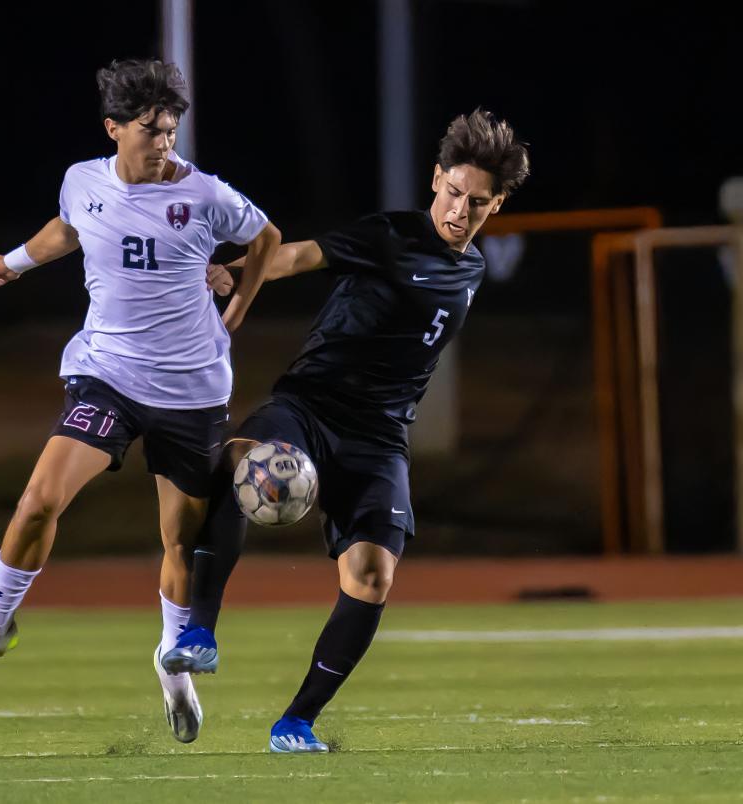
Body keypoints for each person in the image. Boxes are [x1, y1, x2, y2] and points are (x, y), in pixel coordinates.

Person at [0, 59, 281, 747]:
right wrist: (13, 261)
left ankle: (172, 662)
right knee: (39, 500)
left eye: (172, 130)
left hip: (192, 394)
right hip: (107, 377)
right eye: (150, 130)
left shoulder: (206, 196)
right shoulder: (82, 180)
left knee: (180, 542)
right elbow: (69, 227)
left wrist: (236, 308)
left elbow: (266, 237)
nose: (164, 143)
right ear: (114, 129)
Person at [161, 109, 529, 752]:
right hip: (311, 403)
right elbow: (301, 254)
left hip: (380, 437)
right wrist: (238, 272)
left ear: (494, 206)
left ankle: (296, 722)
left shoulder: (470, 271)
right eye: (452, 193)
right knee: (242, 459)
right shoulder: (393, 234)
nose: (458, 211)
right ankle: (198, 631)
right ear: (435, 178)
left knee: (372, 576)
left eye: (476, 203)